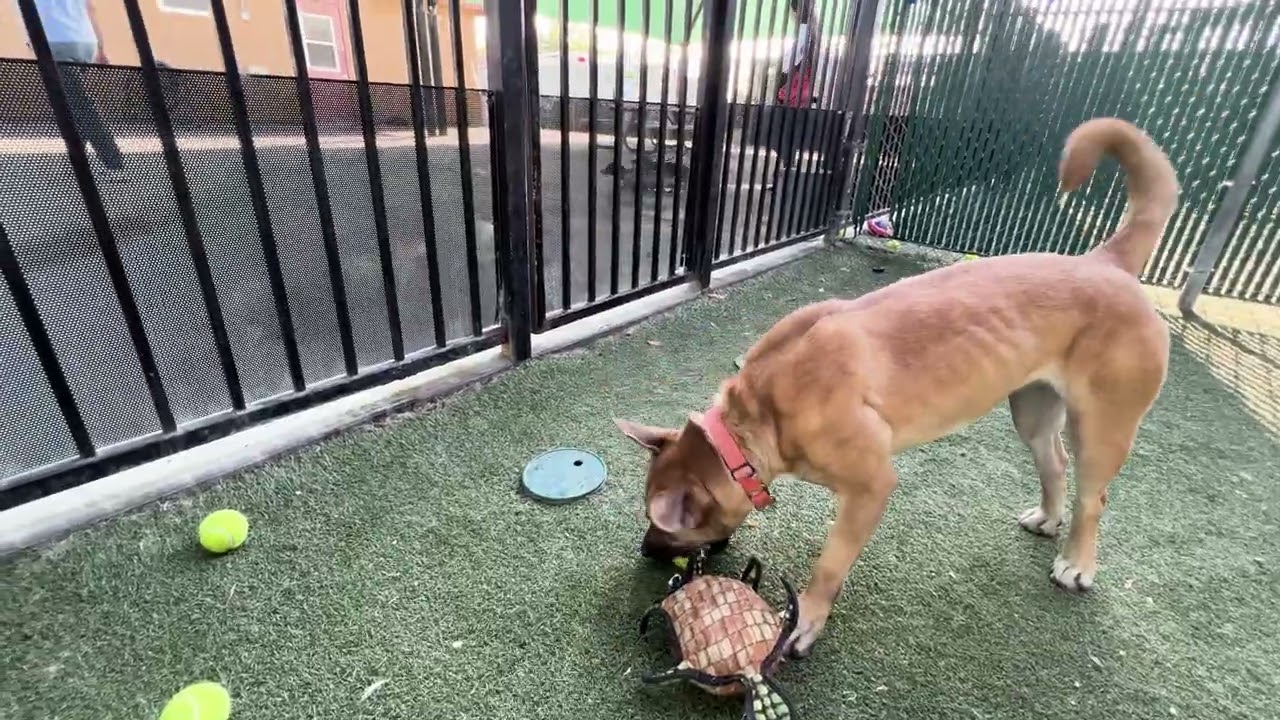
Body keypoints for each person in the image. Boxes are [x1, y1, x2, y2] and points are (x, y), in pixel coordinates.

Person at [30, 0, 126, 180]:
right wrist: (100, 47)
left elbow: (35, 13)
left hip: (56, 42)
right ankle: (77, 163)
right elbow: (90, 8)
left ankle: (114, 163)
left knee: (81, 105)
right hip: (85, 43)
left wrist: (32, 43)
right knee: (75, 104)